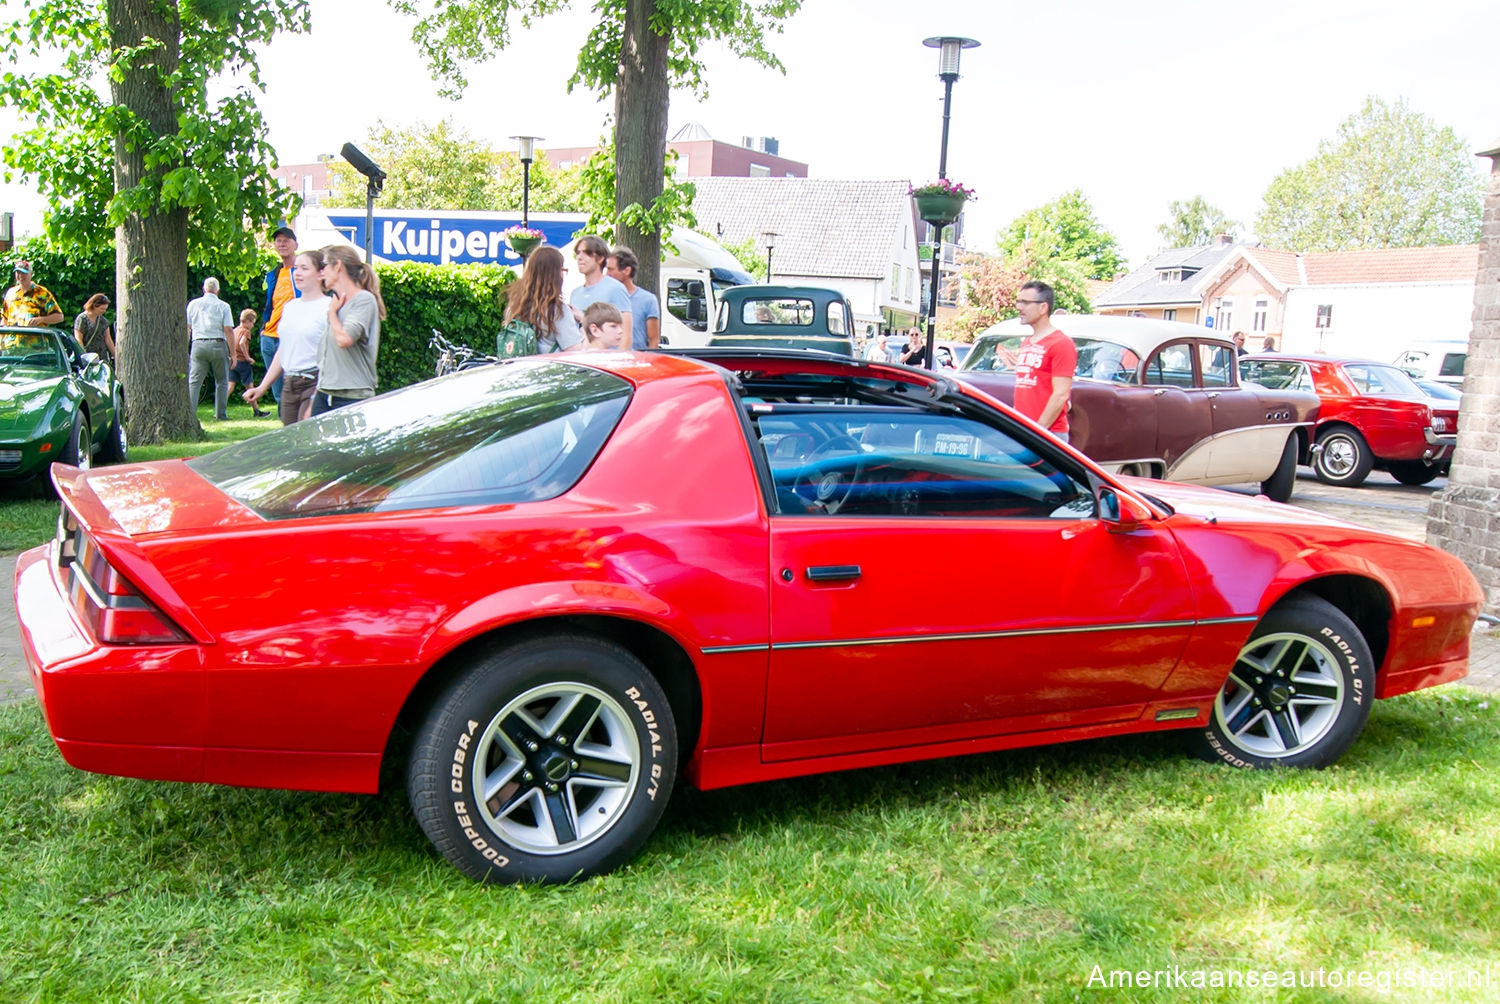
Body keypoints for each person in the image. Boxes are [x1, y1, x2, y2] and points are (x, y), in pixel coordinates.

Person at [246, 250, 328, 423]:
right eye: (296, 268)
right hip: (289, 384)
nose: (297, 273)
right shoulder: (291, 307)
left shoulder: (329, 307)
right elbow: (284, 350)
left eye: (304, 268)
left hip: (315, 383)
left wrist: (319, 393)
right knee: (292, 443)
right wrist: (262, 387)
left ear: (321, 273)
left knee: (308, 440)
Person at [309, 246, 384, 415]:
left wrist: (333, 314)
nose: (322, 272)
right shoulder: (336, 301)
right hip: (325, 393)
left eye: (325, 266)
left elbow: (345, 339)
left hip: (353, 396)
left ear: (338, 266)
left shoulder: (364, 300)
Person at [1012, 280, 1077, 442]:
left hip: (1048, 433)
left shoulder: (1061, 343)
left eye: (1025, 303)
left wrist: (1038, 431)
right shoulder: (1027, 342)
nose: (1019, 307)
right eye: (1018, 301)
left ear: (1043, 307)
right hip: (1024, 430)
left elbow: (1061, 394)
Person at [504, 245, 585, 354]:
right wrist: (584, 323)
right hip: (549, 369)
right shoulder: (557, 311)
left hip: (519, 368)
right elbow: (575, 351)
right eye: (562, 270)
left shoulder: (514, 306)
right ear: (554, 275)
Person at [261, 226, 300, 407]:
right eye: (278, 241)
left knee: (294, 390)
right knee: (278, 394)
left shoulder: (302, 272)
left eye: (286, 240)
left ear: (296, 245)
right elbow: (271, 304)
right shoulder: (274, 274)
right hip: (269, 338)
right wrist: (263, 328)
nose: (282, 244)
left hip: (291, 339)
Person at [569, 236, 633, 347]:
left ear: (600, 258)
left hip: (609, 361)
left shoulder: (615, 288)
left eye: (587, 253)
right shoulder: (575, 294)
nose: (580, 257)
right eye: (578, 253)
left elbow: (626, 334)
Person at [185, 277, 235, 420]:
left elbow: (187, 328)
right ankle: (220, 414)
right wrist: (233, 354)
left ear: (203, 289)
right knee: (222, 381)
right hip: (218, 344)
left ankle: (190, 414)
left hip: (198, 343)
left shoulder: (193, 304)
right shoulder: (223, 306)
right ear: (218, 291)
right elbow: (228, 330)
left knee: (194, 382)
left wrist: (186, 348)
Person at [605, 246, 660, 349]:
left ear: (627, 270)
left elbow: (654, 340)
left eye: (610, 269)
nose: (606, 274)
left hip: (635, 361)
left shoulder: (648, 300)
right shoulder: (605, 297)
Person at [227, 308, 268, 416]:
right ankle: (256, 411)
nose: (253, 326)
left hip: (233, 362)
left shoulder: (235, 330)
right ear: (248, 321)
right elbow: (242, 343)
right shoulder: (246, 331)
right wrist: (247, 357)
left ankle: (220, 409)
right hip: (243, 363)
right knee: (250, 387)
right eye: (253, 323)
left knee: (230, 386)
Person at [2, 260, 64, 327]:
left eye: (24, 273)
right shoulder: (10, 293)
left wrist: (41, 319)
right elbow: (4, 319)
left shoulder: (42, 292)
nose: (20, 276)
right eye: (18, 272)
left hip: (35, 336)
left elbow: (59, 317)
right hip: (13, 336)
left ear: (31, 274)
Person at [73, 294, 116, 361]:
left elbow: (108, 339)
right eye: (102, 309)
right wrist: (84, 357)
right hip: (88, 357)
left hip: (102, 357)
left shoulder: (103, 321)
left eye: (105, 309)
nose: (104, 311)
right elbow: (78, 339)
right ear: (94, 306)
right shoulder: (82, 319)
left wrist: (115, 355)